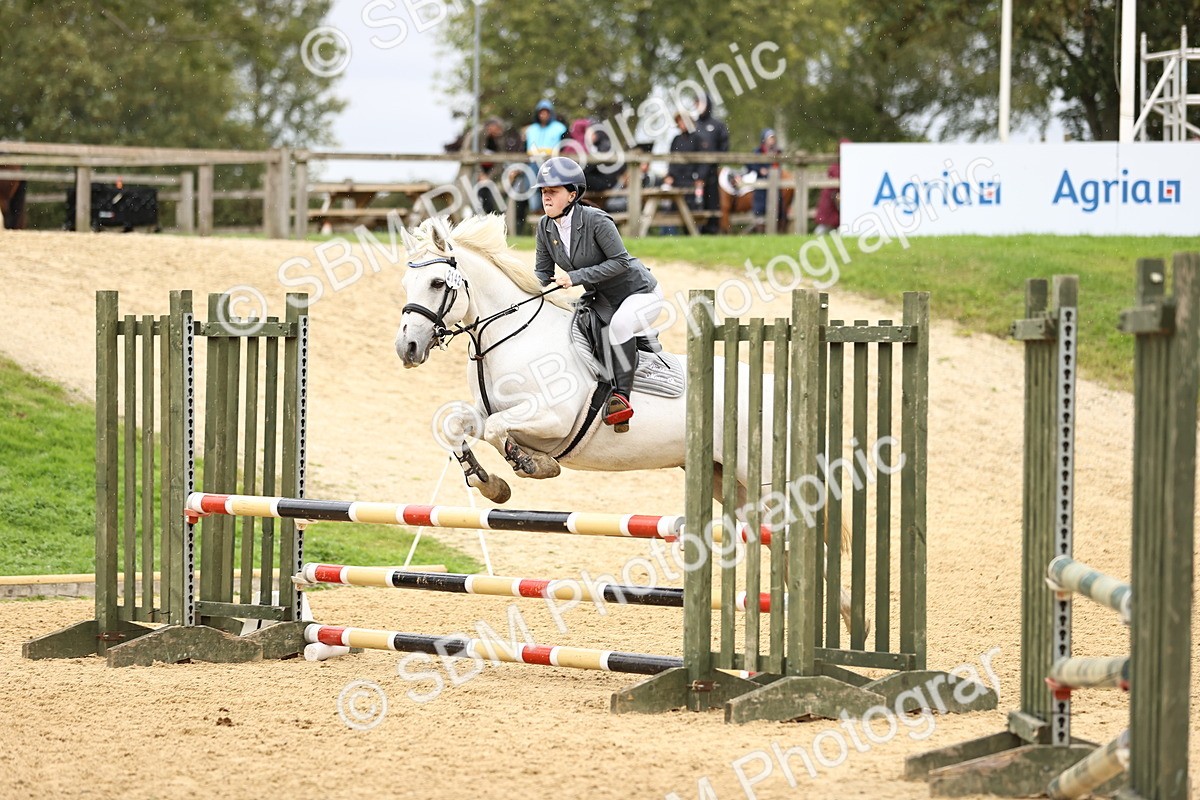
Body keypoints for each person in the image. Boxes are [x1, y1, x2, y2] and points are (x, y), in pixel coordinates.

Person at [532, 157, 663, 431]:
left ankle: (621, 399)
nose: (546, 197)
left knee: (621, 325)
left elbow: (620, 262)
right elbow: (542, 275)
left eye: (553, 191)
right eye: (543, 191)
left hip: (639, 293)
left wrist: (575, 277)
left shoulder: (596, 220)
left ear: (572, 194)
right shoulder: (545, 227)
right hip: (602, 300)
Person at [693, 93, 730, 234]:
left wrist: (713, 163)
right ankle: (696, 230)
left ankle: (713, 229)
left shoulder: (718, 125)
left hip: (713, 173)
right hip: (694, 174)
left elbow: (724, 147)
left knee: (713, 201)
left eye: (700, 102)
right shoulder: (694, 125)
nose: (697, 106)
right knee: (695, 202)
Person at [525, 99, 568, 213]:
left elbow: (565, 145)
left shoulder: (559, 128)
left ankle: (552, 209)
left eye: (546, 112)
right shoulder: (531, 129)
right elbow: (526, 147)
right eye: (541, 112)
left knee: (551, 186)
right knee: (532, 184)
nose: (543, 115)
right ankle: (535, 209)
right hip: (534, 161)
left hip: (552, 162)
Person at [477, 117, 523, 216]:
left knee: (493, 196)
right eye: (497, 128)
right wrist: (481, 173)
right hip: (479, 176)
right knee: (483, 196)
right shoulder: (479, 136)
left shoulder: (499, 140)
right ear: (491, 127)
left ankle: (495, 214)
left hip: (492, 177)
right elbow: (474, 157)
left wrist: (488, 177)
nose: (499, 131)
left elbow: (499, 162)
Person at [748, 128, 784, 230]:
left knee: (777, 208)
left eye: (773, 138)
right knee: (760, 209)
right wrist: (760, 170)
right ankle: (761, 231)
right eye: (769, 138)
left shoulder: (777, 152)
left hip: (775, 184)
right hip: (761, 185)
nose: (771, 141)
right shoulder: (758, 151)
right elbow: (750, 165)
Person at [814, 138, 848, 234]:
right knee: (824, 227)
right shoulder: (837, 167)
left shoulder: (837, 166)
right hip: (831, 201)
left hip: (833, 201)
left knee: (827, 227)